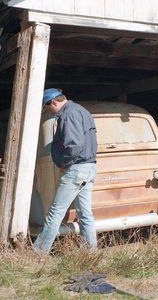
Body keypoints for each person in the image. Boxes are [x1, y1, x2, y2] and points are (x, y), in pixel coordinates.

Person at [33, 88, 98, 254]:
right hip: (89, 167)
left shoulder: (68, 115)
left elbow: (74, 144)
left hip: (76, 169)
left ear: (54, 102)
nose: (49, 112)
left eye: (48, 108)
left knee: (55, 213)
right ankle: (90, 253)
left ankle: (38, 253)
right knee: (86, 215)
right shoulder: (82, 111)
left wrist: (64, 163)